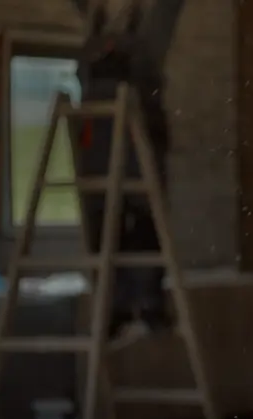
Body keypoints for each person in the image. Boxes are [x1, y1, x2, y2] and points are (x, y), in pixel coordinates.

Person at [70, 0, 185, 348]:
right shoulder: (108, 39)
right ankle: (128, 307)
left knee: (139, 226)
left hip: (132, 144)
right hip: (107, 149)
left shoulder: (142, 42)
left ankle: (142, 306)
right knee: (120, 228)